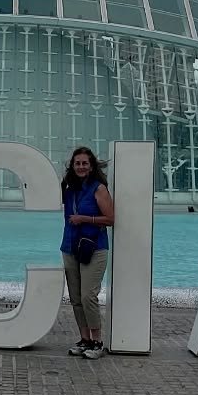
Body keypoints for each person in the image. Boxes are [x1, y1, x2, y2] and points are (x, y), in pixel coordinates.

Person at [60, 145, 114, 359]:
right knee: (75, 298)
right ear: (72, 166)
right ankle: (85, 340)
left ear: (91, 167)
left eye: (85, 163)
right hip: (70, 247)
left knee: (88, 296)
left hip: (94, 248)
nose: (81, 166)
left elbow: (111, 219)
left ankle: (98, 342)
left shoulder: (98, 188)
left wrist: (85, 219)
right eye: (77, 163)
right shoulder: (68, 188)